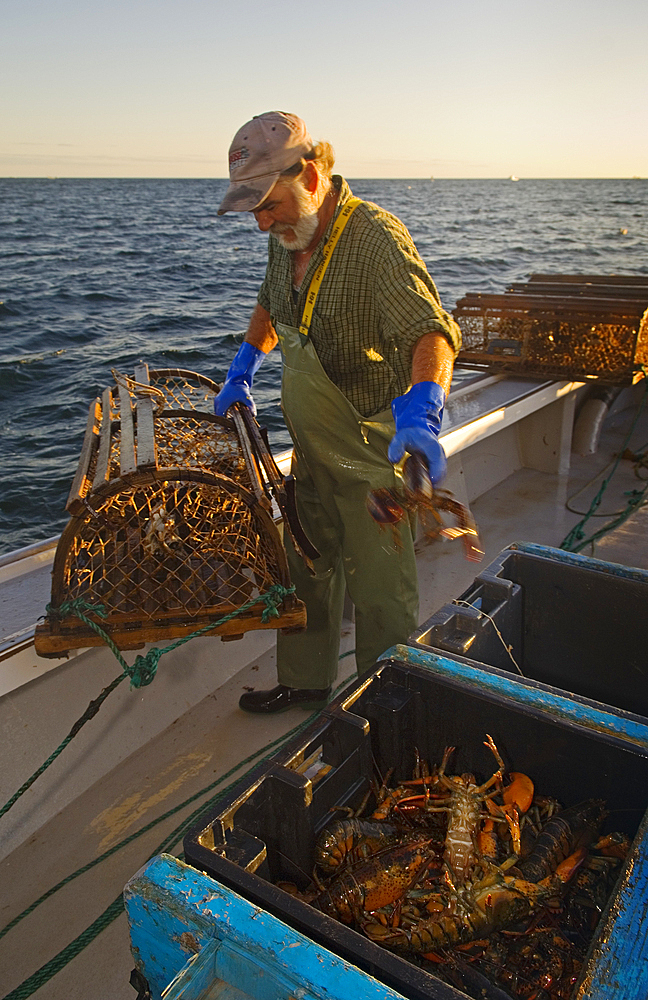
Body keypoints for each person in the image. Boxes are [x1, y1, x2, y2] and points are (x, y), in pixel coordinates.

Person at [215, 112, 461, 713]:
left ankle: (385, 705)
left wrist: (424, 408)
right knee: (307, 574)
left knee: (381, 590)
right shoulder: (287, 237)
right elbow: (272, 304)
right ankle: (305, 682)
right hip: (312, 452)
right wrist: (244, 362)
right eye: (252, 209)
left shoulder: (374, 237)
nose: (261, 221)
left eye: (269, 205)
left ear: (314, 176)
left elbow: (431, 331)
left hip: (373, 452)